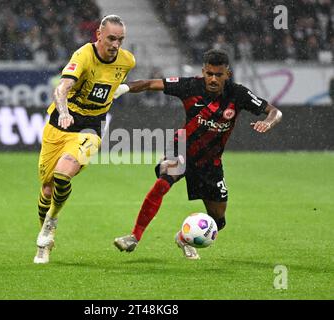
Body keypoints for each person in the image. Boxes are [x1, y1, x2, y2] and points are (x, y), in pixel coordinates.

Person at [113, 49, 282, 260]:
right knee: (164, 181)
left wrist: (268, 123)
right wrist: (121, 88)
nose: (212, 79)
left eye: (218, 75)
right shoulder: (190, 86)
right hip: (182, 148)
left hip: (210, 162)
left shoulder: (238, 94)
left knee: (218, 221)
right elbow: (149, 83)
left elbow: (275, 112)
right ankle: (134, 237)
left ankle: (183, 238)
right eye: (209, 73)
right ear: (203, 71)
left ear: (227, 74)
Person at [34, 15, 135, 264]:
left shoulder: (127, 61)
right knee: (47, 188)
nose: (115, 44)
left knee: (63, 173)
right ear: (98, 35)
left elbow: (110, 84)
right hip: (60, 124)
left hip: (91, 128)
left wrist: (117, 92)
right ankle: (45, 234)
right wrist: (65, 112)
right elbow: (62, 88)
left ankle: (51, 223)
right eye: (111, 38)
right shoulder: (83, 56)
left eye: (120, 39)